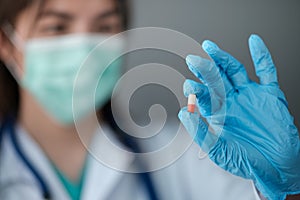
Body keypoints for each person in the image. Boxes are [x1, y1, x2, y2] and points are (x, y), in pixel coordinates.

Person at [0, 0, 299, 200]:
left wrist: (273, 183)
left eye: (104, 27)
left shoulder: (183, 154)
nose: (85, 50)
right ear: (7, 44)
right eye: (57, 28)